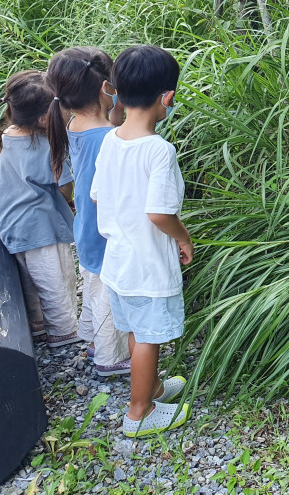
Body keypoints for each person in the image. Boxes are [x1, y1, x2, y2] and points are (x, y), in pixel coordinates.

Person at [91, 45, 193, 437]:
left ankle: (148, 385)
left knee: (136, 329)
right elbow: (160, 214)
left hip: (117, 261)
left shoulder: (110, 140)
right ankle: (140, 412)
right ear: (166, 98)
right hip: (147, 264)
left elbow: (98, 195)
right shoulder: (159, 151)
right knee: (149, 337)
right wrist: (183, 237)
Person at [47, 47, 131, 377]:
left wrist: (115, 111)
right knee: (109, 296)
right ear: (105, 88)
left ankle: (94, 340)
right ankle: (109, 359)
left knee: (94, 287)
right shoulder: (108, 137)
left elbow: (105, 129)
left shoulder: (75, 123)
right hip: (104, 232)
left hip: (86, 227)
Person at [0, 70, 81, 347]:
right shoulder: (46, 145)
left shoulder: (3, 137)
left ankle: (36, 325)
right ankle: (63, 331)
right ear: (43, 119)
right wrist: (69, 201)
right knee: (56, 281)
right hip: (43, 226)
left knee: (31, 282)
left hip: (12, 226)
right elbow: (64, 188)